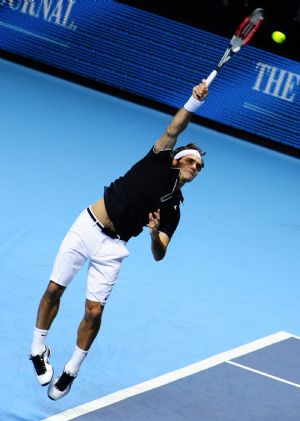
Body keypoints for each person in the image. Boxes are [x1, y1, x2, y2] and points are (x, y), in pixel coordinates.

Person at [29, 80, 209, 400]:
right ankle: (37, 349)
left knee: (94, 313)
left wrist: (154, 233)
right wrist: (193, 102)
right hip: (87, 225)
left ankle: (72, 369)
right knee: (54, 288)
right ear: (176, 158)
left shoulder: (174, 210)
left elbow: (160, 253)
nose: (195, 167)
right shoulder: (156, 159)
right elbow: (174, 127)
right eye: (191, 160)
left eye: (199, 166)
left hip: (113, 248)